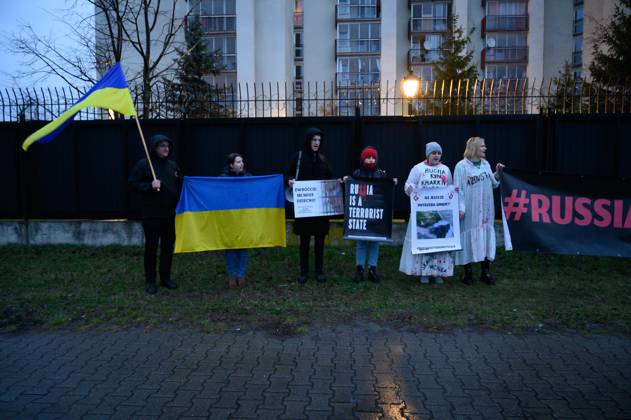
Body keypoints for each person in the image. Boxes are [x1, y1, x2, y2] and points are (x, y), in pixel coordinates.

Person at [129, 134, 182, 294]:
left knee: (167, 247)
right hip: (151, 214)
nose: (166, 149)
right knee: (151, 248)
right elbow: (133, 183)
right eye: (162, 146)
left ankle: (165, 278)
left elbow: (180, 184)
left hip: (169, 214)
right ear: (154, 148)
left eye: (167, 146)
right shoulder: (144, 165)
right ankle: (150, 280)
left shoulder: (173, 165)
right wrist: (149, 185)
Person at [399, 141, 454, 284]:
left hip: (440, 214)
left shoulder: (446, 169)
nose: (436, 155)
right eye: (433, 153)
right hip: (422, 213)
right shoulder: (418, 169)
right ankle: (423, 272)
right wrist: (410, 189)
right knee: (423, 243)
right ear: (428, 155)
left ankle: (438, 273)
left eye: (439, 153)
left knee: (439, 244)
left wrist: (454, 192)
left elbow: (449, 187)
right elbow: (408, 184)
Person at [454, 136, 505, 285]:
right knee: (468, 238)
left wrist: (497, 172)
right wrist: (460, 208)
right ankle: (467, 273)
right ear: (474, 148)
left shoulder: (485, 164)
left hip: (486, 210)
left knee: (485, 238)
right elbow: (458, 189)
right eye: (482, 146)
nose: (485, 148)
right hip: (469, 210)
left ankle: (485, 272)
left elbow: (494, 184)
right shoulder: (461, 166)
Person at [286, 127, 334, 284]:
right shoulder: (298, 157)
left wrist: (339, 183)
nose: (317, 143)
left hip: (320, 210)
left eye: (319, 140)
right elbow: (287, 173)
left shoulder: (323, 159)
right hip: (304, 208)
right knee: (304, 241)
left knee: (320, 241)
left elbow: (330, 179)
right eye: (314, 140)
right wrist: (289, 180)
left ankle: (319, 271)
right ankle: (304, 271)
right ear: (308, 140)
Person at [345, 146, 397, 283]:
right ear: (363, 159)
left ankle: (372, 270)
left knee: (375, 243)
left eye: (373, 157)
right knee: (361, 243)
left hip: (376, 216)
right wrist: (347, 180)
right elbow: (351, 185)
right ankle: (360, 270)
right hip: (361, 214)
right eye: (368, 157)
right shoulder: (357, 173)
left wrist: (392, 182)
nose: (371, 159)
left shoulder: (380, 174)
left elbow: (385, 188)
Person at [219, 153, 252, 288]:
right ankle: (232, 275)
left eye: (242, 161)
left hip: (243, 217)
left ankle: (241, 275)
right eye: (238, 162)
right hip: (229, 218)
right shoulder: (222, 179)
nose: (241, 164)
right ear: (231, 165)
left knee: (243, 247)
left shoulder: (249, 178)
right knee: (231, 248)